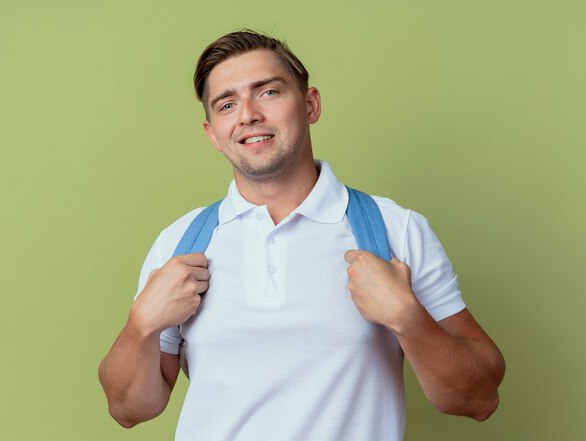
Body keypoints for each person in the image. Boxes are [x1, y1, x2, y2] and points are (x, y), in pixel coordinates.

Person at [98, 29, 505, 441]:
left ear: (310, 105)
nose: (248, 114)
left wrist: (407, 318)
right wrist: (140, 326)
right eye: (227, 104)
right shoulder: (180, 243)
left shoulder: (394, 230)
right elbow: (129, 409)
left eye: (269, 92)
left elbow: (479, 399)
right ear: (212, 133)